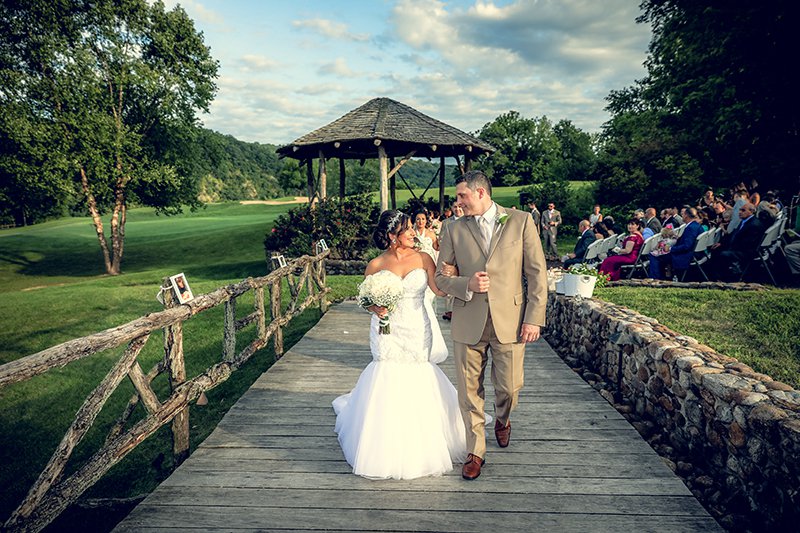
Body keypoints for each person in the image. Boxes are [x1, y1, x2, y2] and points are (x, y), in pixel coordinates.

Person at [332, 210, 467, 480]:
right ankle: (384, 445)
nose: (413, 233)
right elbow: (365, 299)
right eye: (407, 230)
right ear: (393, 236)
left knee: (418, 371)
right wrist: (376, 309)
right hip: (387, 331)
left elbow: (439, 290)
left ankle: (424, 437)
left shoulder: (424, 258)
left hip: (417, 327)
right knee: (387, 372)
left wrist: (455, 274)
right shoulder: (376, 264)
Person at [435, 170, 547, 481]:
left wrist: (533, 318)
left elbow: (537, 273)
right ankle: (476, 451)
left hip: (510, 320)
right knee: (469, 392)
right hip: (467, 319)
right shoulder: (452, 229)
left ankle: (502, 418)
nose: (458, 202)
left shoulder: (520, 221)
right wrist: (466, 283)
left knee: (508, 387)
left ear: (481, 193)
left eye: (462, 196)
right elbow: (441, 279)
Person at [649, 207, 703, 280]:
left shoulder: (690, 228)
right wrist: (678, 238)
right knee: (659, 254)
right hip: (695, 253)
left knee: (654, 255)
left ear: (686, 215)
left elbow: (687, 246)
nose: (682, 216)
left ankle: (655, 278)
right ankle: (663, 277)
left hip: (687, 255)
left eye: (683, 214)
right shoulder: (696, 225)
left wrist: (670, 248)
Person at [440, 204, 463, 321]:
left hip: (464, 258)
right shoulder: (446, 223)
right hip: (451, 257)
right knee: (449, 283)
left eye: (460, 207)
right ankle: (449, 311)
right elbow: (441, 239)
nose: (457, 209)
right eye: (455, 207)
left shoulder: (470, 220)